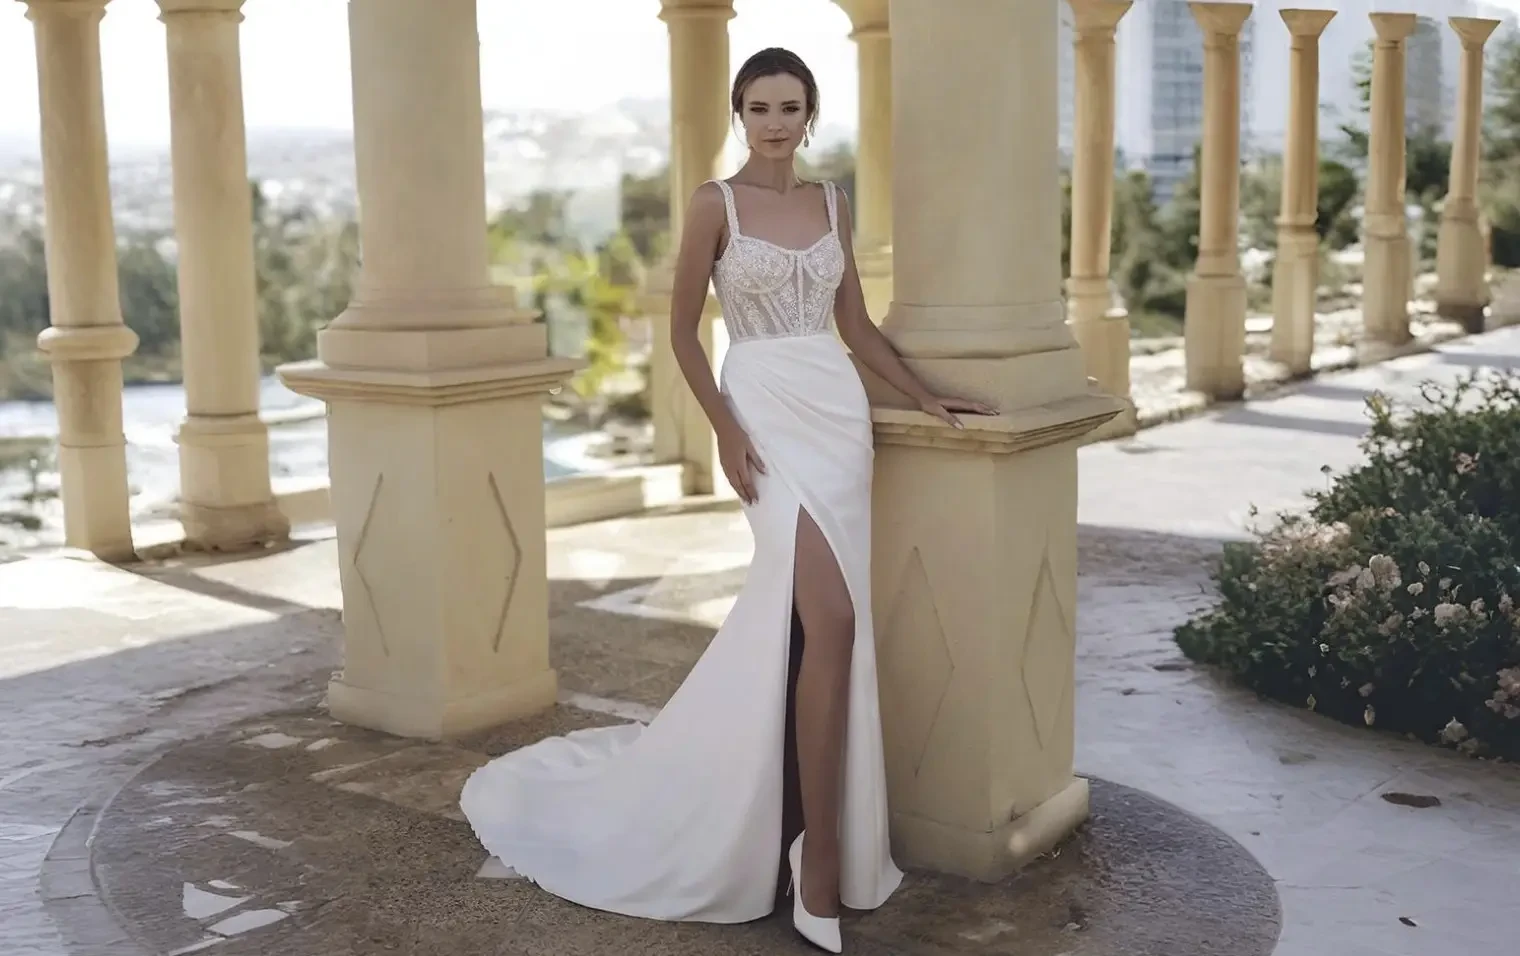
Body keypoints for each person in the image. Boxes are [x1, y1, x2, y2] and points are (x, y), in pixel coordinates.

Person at [460, 47, 993, 954]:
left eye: (790, 106)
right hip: (763, 411)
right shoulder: (718, 204)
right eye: (759, 107)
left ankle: (803, 838)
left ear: (809, 114)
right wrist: (722, 426)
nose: (775, 122)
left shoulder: (832, 203)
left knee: (821, 626)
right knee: (830, 621)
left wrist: (922, 395)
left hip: (835, 415)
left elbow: (855, 323)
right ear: (740, 115)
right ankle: (816, 862)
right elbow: (680, 329)